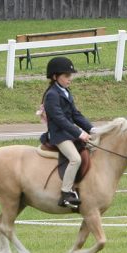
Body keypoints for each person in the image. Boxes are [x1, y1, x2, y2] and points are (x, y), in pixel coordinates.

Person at [38, 56, 92, 209]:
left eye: (70, 76)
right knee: (75, 159)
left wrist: (92, 129)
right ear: (55, 77)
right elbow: (60, 119)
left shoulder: (66, 91)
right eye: (66, 76)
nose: (70, 79)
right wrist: (79, 133)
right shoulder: (51, 95)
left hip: (68, 133)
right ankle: (66, 193)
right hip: (59, 135)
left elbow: (76, 115)